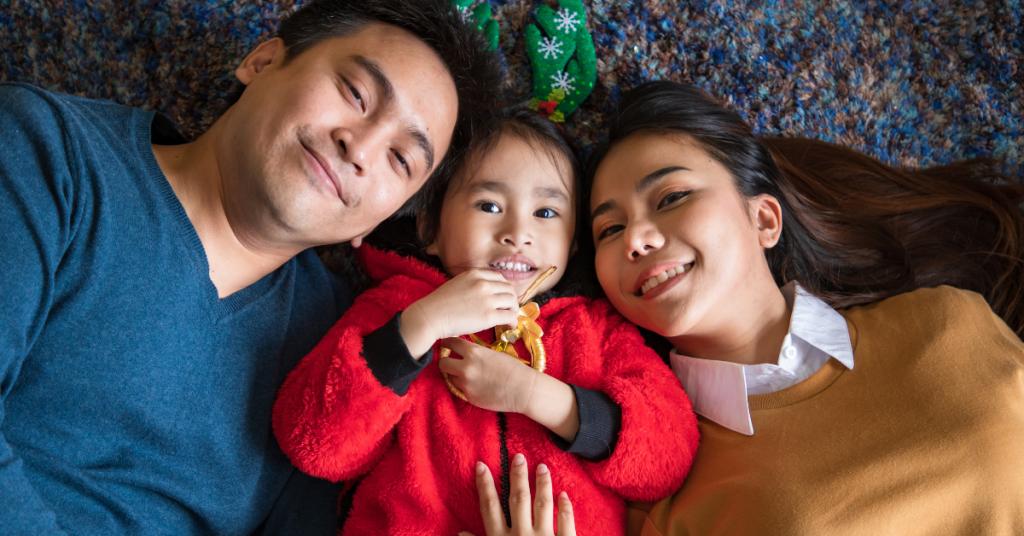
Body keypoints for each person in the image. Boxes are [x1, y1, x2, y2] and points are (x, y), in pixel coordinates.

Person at [0, 0, 501, 533]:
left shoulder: (338, 355)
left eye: (401, 160)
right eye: (356, 94)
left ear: (376, 223)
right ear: (261, 63)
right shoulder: (45, 150)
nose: (360, 148)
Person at [473, 80, 1024, 535]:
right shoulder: (650, 493)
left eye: (671, 198)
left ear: (763, 219)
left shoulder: (949, 320)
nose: (636, 239)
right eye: (609, 230)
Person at [271, 107, 700, 535]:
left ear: (573, 245)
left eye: (546, 213)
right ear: (430, 230)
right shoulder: (396, 308)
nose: (518, 232)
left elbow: (667, 459)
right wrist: (419, 326)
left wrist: (538, 397)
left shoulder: (595, 328)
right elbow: (313, 444)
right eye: (489, 205)